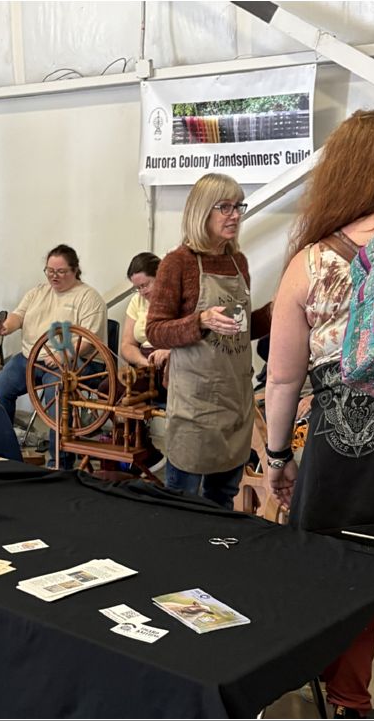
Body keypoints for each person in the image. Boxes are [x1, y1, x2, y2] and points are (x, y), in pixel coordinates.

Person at [264, 108, 374, 720]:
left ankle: (345, 698)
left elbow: (282, 378)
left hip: (341, 448)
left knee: (334, 576)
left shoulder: (312, 263)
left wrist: (278, 458)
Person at [146, 173, 270, 510]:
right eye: (225, 207)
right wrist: (199, 321)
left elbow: (242, 329)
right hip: (195, 405)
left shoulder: (237, 261)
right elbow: (156, 330)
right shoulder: (179, 263)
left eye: (238, 206)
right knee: (182, 503)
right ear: (202, 211)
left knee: (222, 500)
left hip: (235, 400)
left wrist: (280, 310)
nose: (234, 215)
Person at [0, 244, 107, 469]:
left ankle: (59, 464)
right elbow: (18, 316)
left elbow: (90, 339)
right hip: (32, 358)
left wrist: (64, 355)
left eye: (61, 271)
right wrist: (5, 327)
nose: (54, 276)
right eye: (50, 271)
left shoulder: (89, 297)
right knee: (0, 386)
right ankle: (6, 454)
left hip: (74, 364)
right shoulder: (37, 292)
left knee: (57, 395)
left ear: (75, 270)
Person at [121, 252, 171, 401]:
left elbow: (190, 335)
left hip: (170, 362)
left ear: (160, 276)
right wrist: (142, 362)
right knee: (107, 390)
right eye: (137, 288)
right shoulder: (137, 301)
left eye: (145, 285)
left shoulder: (177, 298)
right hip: (144, 364)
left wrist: (168, 352)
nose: (142, 292)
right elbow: (127, 344)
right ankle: (130, 425)